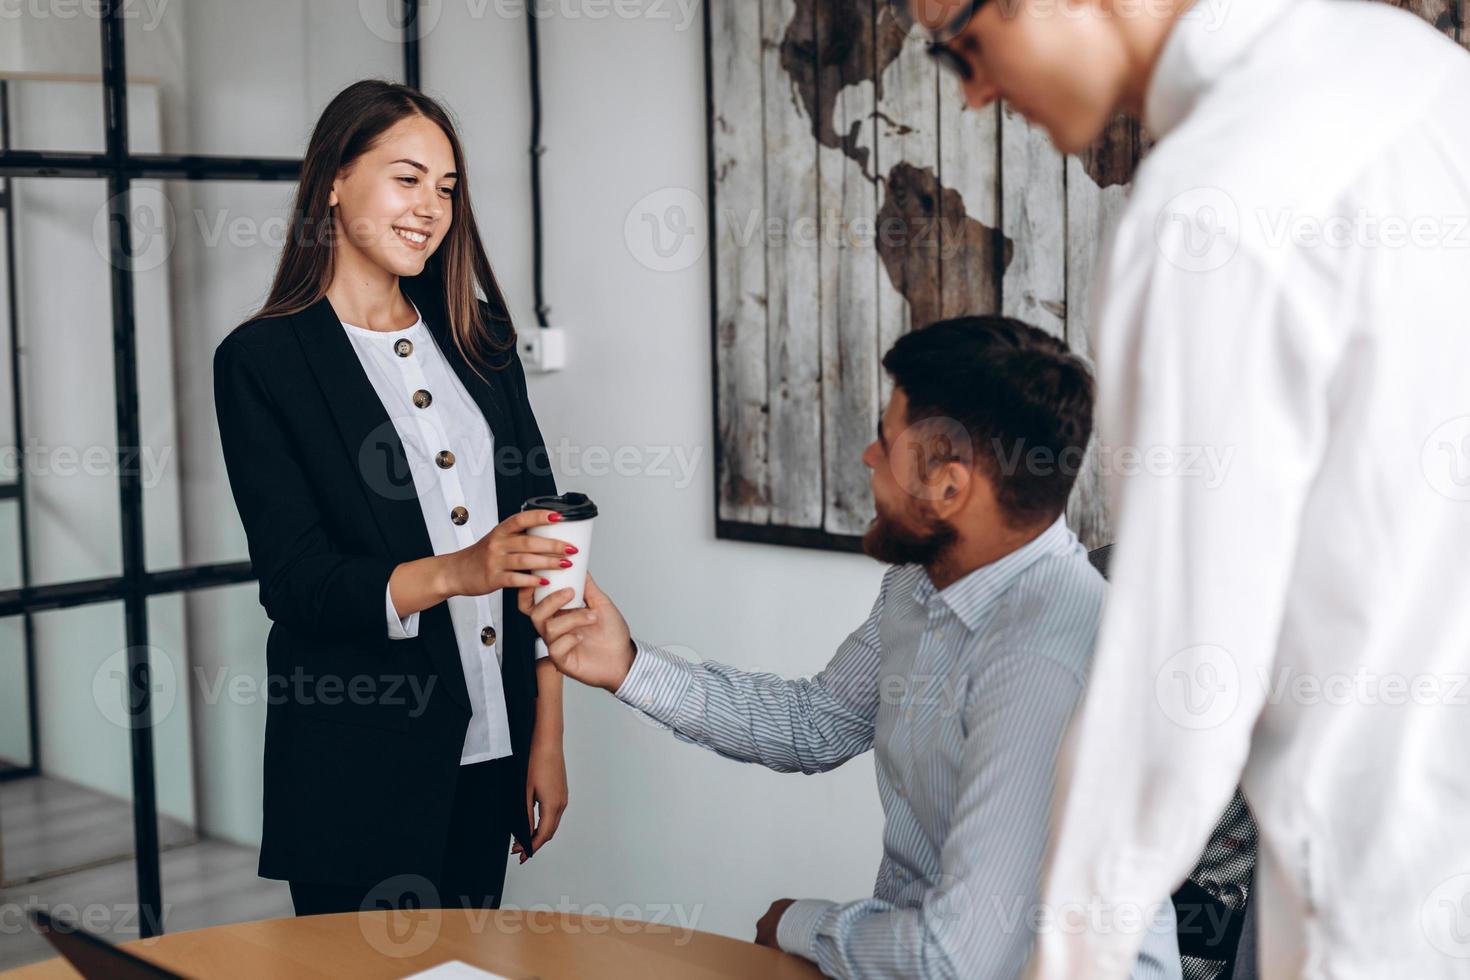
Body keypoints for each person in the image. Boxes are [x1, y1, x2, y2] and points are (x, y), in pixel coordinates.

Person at [903, 1, 1470, 977]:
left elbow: (1181, 672)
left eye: (961, 45)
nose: (979, 91)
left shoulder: (1214, 202)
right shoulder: (1425, 75)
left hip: (1374, 898)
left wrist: (1070, 956)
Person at [523, 317, 1182, 979]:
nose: (868, 457)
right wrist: (629, 666)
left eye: (885, 440)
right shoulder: (922, 586)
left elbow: (958, 958)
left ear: (949, 486)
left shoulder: (1044, 652)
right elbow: (815, 723)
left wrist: (800, 923)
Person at [213, 80, 575, 915]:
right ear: (334, 180)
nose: (432, 208)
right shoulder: (262, 362)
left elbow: (547, 536)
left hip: (495, 743)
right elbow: (297, 582)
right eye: (407, 178)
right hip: (353, 762)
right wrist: (457, 571)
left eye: (447, 188)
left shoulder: (480, 338)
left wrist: (544, 736)